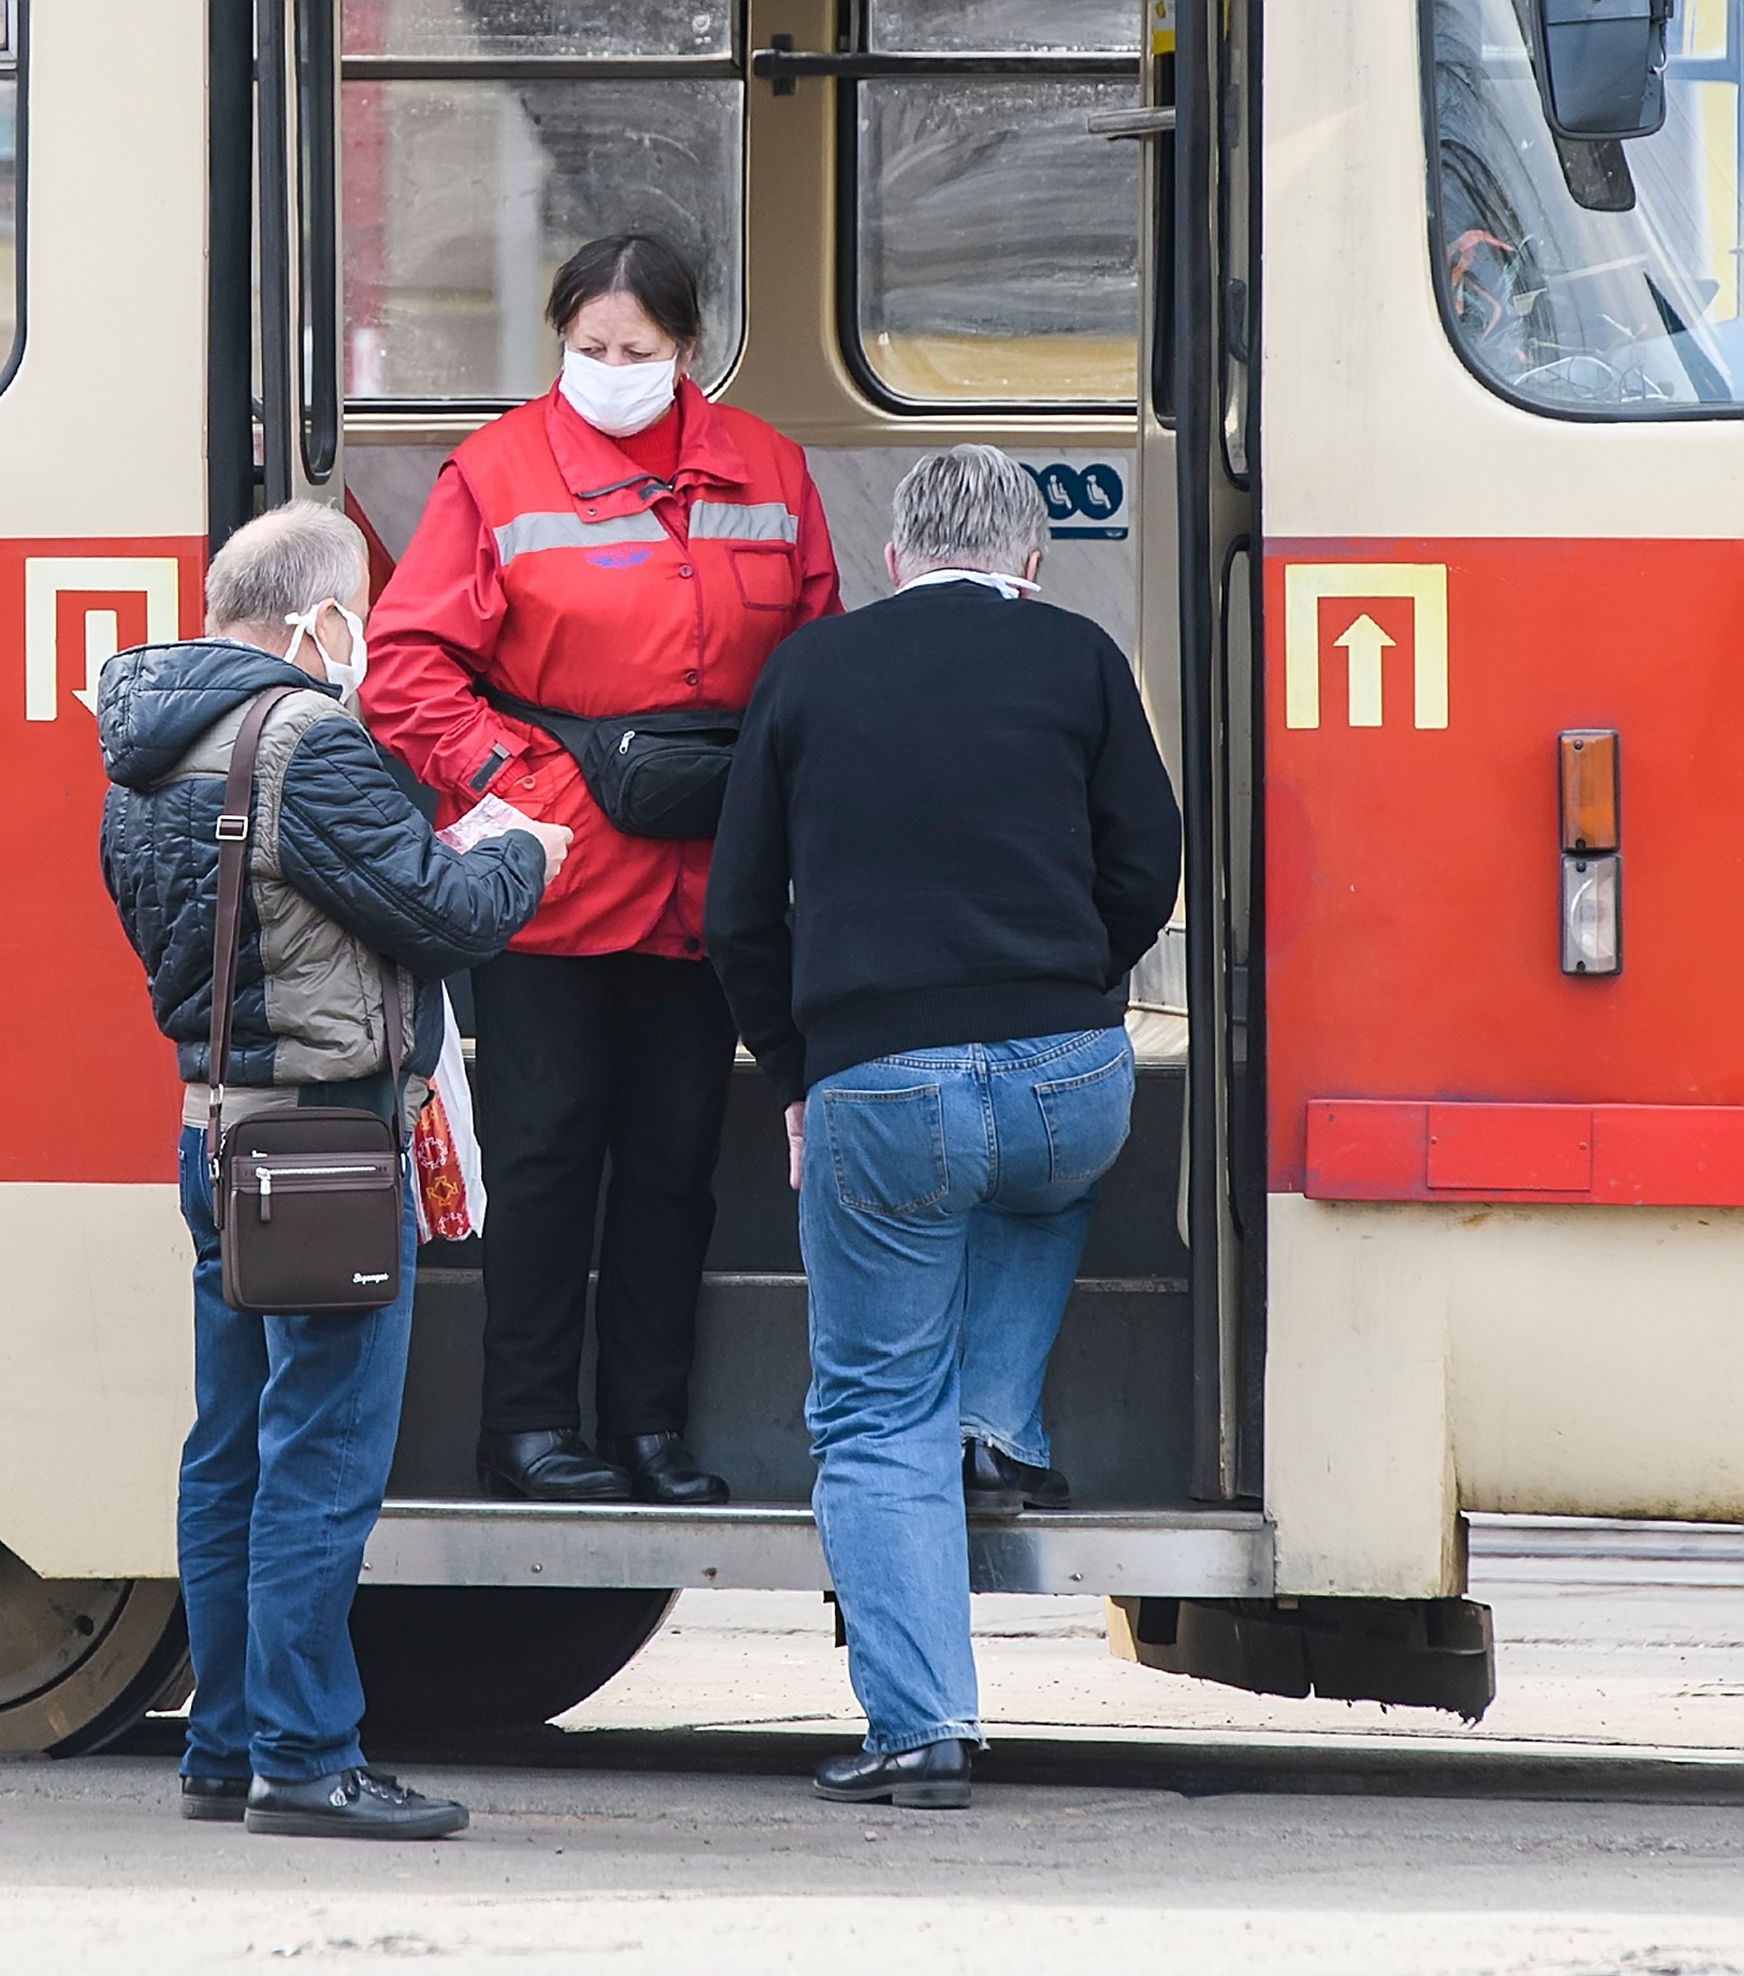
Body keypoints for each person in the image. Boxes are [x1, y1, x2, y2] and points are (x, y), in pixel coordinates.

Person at [703, 444, 1182, 1809]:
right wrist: (1074, 984)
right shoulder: (1079, 656)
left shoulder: (809, 668)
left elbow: (738, 914)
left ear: (894, 558)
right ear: (1030, 562)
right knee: (1042, 1179)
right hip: (1068, 1079)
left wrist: (798, 1073)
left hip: (883, 1079)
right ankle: (997, 1424)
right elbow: (1147, 860)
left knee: (871, 1417)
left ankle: (921, 1727)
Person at [97, 502, 572, 1840]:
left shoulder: (141, 754)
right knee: (322, 1451)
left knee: (230, 1448)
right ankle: (306, 1756)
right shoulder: (307, 741)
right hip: (325, 1146)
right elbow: (448, 912)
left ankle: (225, 1745)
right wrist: (521, 851)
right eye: (359, 615)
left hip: (216, 1126)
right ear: (320, 620)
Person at [364, 233, 842, 1507]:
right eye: (589, 347)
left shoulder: (771, 471)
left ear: (688, 349)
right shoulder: (496, 472)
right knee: (546, 1150)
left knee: (677, 1161)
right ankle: (524, 1427)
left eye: (637, 349)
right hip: (552, 883)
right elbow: (406, 668)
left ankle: (648, 1427)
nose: (611, 368)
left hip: (707, 883)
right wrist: (515, 783)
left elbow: (816, 659)